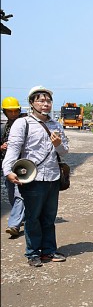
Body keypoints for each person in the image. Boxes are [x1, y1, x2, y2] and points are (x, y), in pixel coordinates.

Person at [2, 86, 70, 267]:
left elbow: (65, 152)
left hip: (53, 178)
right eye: (40, 100)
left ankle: (48, 251)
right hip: (32, 179)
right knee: (32, 217)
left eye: (48, 100)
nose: (45, 104)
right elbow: (13, 149)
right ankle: (32, 253)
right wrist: (7, 170)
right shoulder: (22, 124)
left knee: (49, 217)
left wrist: (58, 145)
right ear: (32, 103)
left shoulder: (56, 125)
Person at [1, 96, 26, 237]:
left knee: (19, 194)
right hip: (8, 165)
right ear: (5, 112)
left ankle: (14, 225)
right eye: (10, 111)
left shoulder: (26, 124)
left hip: (23, 165)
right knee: (11, 193)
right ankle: (22, 216)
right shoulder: (3, 128)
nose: (13, 114)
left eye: (15, 111)